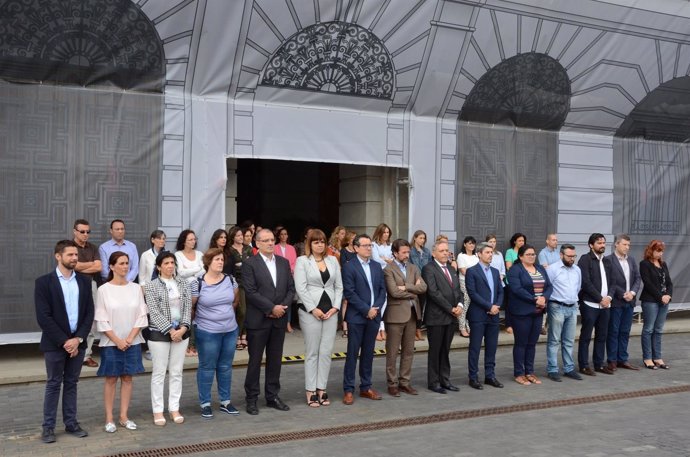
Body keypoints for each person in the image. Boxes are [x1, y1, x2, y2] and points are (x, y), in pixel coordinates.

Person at [35, 240, 94, 443]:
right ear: (58, 256)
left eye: (76, 255)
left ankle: (71, 424)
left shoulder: (85, 282)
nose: (74, 258)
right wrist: (65, 342)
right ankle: (48, 428)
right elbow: (44, 317)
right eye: (70, 255)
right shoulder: (44, 283)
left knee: (71, 383)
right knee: (53, 384)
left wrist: (77, 339)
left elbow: (89, 314)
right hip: (54, 344)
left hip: (78, 343)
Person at [242, 229, 295, 415]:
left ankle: (272, 396)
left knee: (275, 361)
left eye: (272, 240)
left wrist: (282, 308)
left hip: (279, 320)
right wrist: (271, 308)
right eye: (266, 240)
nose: (271, 243)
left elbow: (290, 288)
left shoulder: (283, 262)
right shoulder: (250, 264)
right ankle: (252, 398)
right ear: (257, 244)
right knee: (255, 361)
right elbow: (250, 291)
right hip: (259, 321)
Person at [95, 252, 148, 433]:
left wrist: (129, 339)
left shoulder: (136, 288)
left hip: (132, 341)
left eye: (127, 263)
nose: (125, 267)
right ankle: (109, 418)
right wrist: (117, 340)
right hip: (111, 343)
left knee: (127, 378)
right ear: (111, 266)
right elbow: (101, 319)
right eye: (121, 263)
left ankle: (124, 416)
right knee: (111, 379)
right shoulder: (103, 290)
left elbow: (142, 315)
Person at [294, 229, 343, 407]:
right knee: (313, 352)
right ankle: (310, 390)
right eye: (316, 242)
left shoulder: (333, 260)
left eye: (322, 241)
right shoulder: (302, 261)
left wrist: (336, 307)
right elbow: (301, 287)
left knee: (326, 351)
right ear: (310, 244)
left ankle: (322, 388)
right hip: (310, 311)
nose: (320, 244)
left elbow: (339, 286)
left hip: (331, 311)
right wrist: (313, 309)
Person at [143, 252, 192, 425]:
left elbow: (188, 307)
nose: (170, 266)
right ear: (158, 267)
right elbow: (153, 312)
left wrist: (184, 327)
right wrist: (171, 330)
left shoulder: (183, 284)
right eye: (166, 263)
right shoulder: (150, 286)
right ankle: (158, 410)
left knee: (177, 371)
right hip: (159, 333)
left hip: (181, 332)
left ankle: (174, 408)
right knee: (159, 372)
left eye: (172, 262)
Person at [192, 248, 241, 418]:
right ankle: (205, 403)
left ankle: (225, 401)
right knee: (207, 367)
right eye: (217, 260)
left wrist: (223, 317)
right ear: (208, 263)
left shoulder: (230, 280)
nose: (220, 262)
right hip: (207, 332)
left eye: (222, 259)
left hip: (229, 330)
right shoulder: (198, 282)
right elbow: (192, 307)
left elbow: (235, 301)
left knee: (226, 366)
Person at [341, 234, 386, 405]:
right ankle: (348, 389)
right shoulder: (349, 267)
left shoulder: (376, 266)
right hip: (357, 317)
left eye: (370, 245)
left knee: (368, 354)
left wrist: (376, 308)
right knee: (352, 354)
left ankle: (366, 386)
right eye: (365, 245)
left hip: (374, 315)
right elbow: (349, 293)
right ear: (356, 247)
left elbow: (382, 290)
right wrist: (366, 310)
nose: (369, 248)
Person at [383, 239, 427, 396]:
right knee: (392, 352)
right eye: (404, 252)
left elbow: (423, 287)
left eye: (408, 252)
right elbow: (394, 292)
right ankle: (392, 383)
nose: (407, 255)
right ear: (395, 253)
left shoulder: (414, 268)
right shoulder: (388, 269)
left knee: (409, 351)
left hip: (412, 314)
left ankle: (404, 382)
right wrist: (413, 290)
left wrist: (407, 286)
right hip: (395, 316)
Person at [507, 244, 552, 386]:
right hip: (522, 312)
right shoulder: (515, 270)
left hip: (538, 312)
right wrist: (535, 299)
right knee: (521, 343)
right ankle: (519, 373)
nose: (532, 256)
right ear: (520, 256)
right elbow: (517, 289)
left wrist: (544, 297)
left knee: (532, 344)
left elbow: (549, 286)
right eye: (528, 254)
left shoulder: (539, 268)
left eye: (533, 254)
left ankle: (530, 372)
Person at [422, 239, 463, 394]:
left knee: (445, 350)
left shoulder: (452, 269)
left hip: (451, 317)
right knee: (435, 351)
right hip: (437, 317)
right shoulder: (429, 269)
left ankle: (445, 380)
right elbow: (433, 293)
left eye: (447, 250)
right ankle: (434, 382)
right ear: (434, 254)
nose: (446, 253)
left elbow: (458, 290)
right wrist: (450, 308)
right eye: (442, 251)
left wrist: (459, 305)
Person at [465, 242, 504, 390]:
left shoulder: (495, 272)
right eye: (487, 252)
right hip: (478, 315)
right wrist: (489, 306)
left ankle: (490, 376)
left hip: (494, 315)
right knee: (475, 347)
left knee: (492, 347)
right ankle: (473, 377)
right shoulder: (472, 271)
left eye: (491, 252)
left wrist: (496, 306)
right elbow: (472, 293)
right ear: (479, 254)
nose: (490, 255)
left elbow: (500, 291)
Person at [577, 233, 615, 376]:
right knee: (586, 336)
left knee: (602, 336)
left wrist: (609, 297)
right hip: (590, 304)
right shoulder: (585, 260)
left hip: (606, 305)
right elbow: (586, 282)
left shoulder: (607, 261)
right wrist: (600, 298)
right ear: (591, 245)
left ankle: (599, 364)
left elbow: (613, 282)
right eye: (599, 243)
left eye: (603, 243)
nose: (602, 245)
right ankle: (584, 365)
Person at [545, 244, 583, 382]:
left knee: (569, 340)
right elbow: (548, 287)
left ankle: (568, 368)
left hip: (572, 307)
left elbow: (578, 288)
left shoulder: (577, 270)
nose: (572, 259)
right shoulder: (552, 269)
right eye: (569, 256)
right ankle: (552, 369)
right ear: (561, 255)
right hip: (557, 306)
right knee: (554, 340)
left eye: (574, 256)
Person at [605, 234, 641, 371]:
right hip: (616, 301)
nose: (627, 247)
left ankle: (623, 359)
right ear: (616, 244)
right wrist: (622, 293)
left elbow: (637, 278)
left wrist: (632, 293)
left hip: (629, 301)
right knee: (613, 331)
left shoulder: (631, 260)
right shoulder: (609, 260)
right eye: (624, 244)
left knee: (625, 331)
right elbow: (610, 281)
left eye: (628, 245)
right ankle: (612, 360)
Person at [72, 219, 102, 368]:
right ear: (75, 231)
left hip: (90, 284)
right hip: (72, 284)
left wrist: (79, 267)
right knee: (72, 317)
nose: (85, 234)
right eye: (82, 231)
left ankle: (86, 355)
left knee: (90, 319)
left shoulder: (93, 247)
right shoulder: (69, 246)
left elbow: (99, 267)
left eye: (87, 232)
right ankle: (72, 351)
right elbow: (72, 265)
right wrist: (89, 264)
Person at [639, 240, 673, 370]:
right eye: (658, 250)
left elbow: (669, 282)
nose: (660, 253)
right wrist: (661, 297)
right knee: (648, 329)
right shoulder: (644, 264)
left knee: (658, 330)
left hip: (664, 301)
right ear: (651, 250)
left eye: (662, 251)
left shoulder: (663, 264)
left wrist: (668, 295)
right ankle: (647, 358)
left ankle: (657, 357)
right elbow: (648, 284)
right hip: (650, 301)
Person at [175, 229, 204, 356]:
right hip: (183, 290)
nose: (193, 241)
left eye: (194, 239)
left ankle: (195, 345)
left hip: (200, 289)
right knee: (186, 316)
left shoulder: (199, 254)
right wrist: (196, 270)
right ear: (184, 241)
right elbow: (180, 273)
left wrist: (190, 270)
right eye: (190, 239)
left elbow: (204, 270)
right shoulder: (178, 255)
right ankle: (186, 344)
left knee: (198, 315)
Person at [228, 225, 253, 350]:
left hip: (249, 282)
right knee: (241, 311)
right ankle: (237, 335)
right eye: (238, 235)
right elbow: (231, 267)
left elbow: (252, 265)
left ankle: (244, 335)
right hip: (236, 283)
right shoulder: (229, 250)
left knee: (248, 311)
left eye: (241, 235)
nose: (240, 237)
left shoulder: (248, 249)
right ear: (232, 237)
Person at [409, 229, 432, 341]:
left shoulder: (427, 251)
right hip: (414, 281)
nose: (422, 240)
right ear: (415, 238)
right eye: (420, 238)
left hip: (424, 282)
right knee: (413, 307)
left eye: (424, 238)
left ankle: (418, 329)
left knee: (421, 307)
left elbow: (429, 266)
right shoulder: (410, 251)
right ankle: (412, 331)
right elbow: (409, 266)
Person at [371, 223, 392, 341]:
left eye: (388, 232)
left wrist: (386, 259)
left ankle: (382, 327)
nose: (386, 234)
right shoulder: (374, 245)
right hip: (378, 274)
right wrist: (387, 260)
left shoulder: (391, 245)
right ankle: (378, 328)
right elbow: (376, 260)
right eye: (384, 232)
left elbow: (394, 259)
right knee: (380, 300)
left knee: (387, 301)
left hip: (389, 274)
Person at [274, 226, 297, 333]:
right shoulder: (275, 247)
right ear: (279, 236)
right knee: (279, 300)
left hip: (290, 276)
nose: (284, 236)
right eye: (282, 234)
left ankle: (288, 323)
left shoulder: (291, 248)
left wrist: (289, 270)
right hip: (278, 277)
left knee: (289, 300)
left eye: (285, 234)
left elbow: (294, 262)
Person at [503, 232, 526, 335]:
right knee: (510, 304)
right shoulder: (510, 252)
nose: (522, 242)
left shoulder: (526, 252)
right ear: (514, 241)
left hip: (523, 282)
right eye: (520, 240)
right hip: (512, 282)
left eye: (523, 241)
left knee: (521, 304)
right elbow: (509, 267)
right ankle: (509, 325)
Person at [457, 236, 478, 338]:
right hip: (465, 283)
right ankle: (462, 328)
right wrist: (476, 276)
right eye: (469, 243)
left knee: (472, 307)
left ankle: (469, 326)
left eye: (473, 243)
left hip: (476, 284)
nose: (472, 245)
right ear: (465, 244)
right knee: (465, 305)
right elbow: (463, 271)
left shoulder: (477, 256)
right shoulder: (461, 256)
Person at [339, 230, 357, 338]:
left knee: (355, 302)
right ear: (349, 239)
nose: (354, 240)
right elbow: (344, 265)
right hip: (347, 279)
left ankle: (353, 326)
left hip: (357, 279)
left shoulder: (357, 251)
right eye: (353, 238)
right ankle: (345, 327)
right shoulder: (344, 251)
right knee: (345, 302)